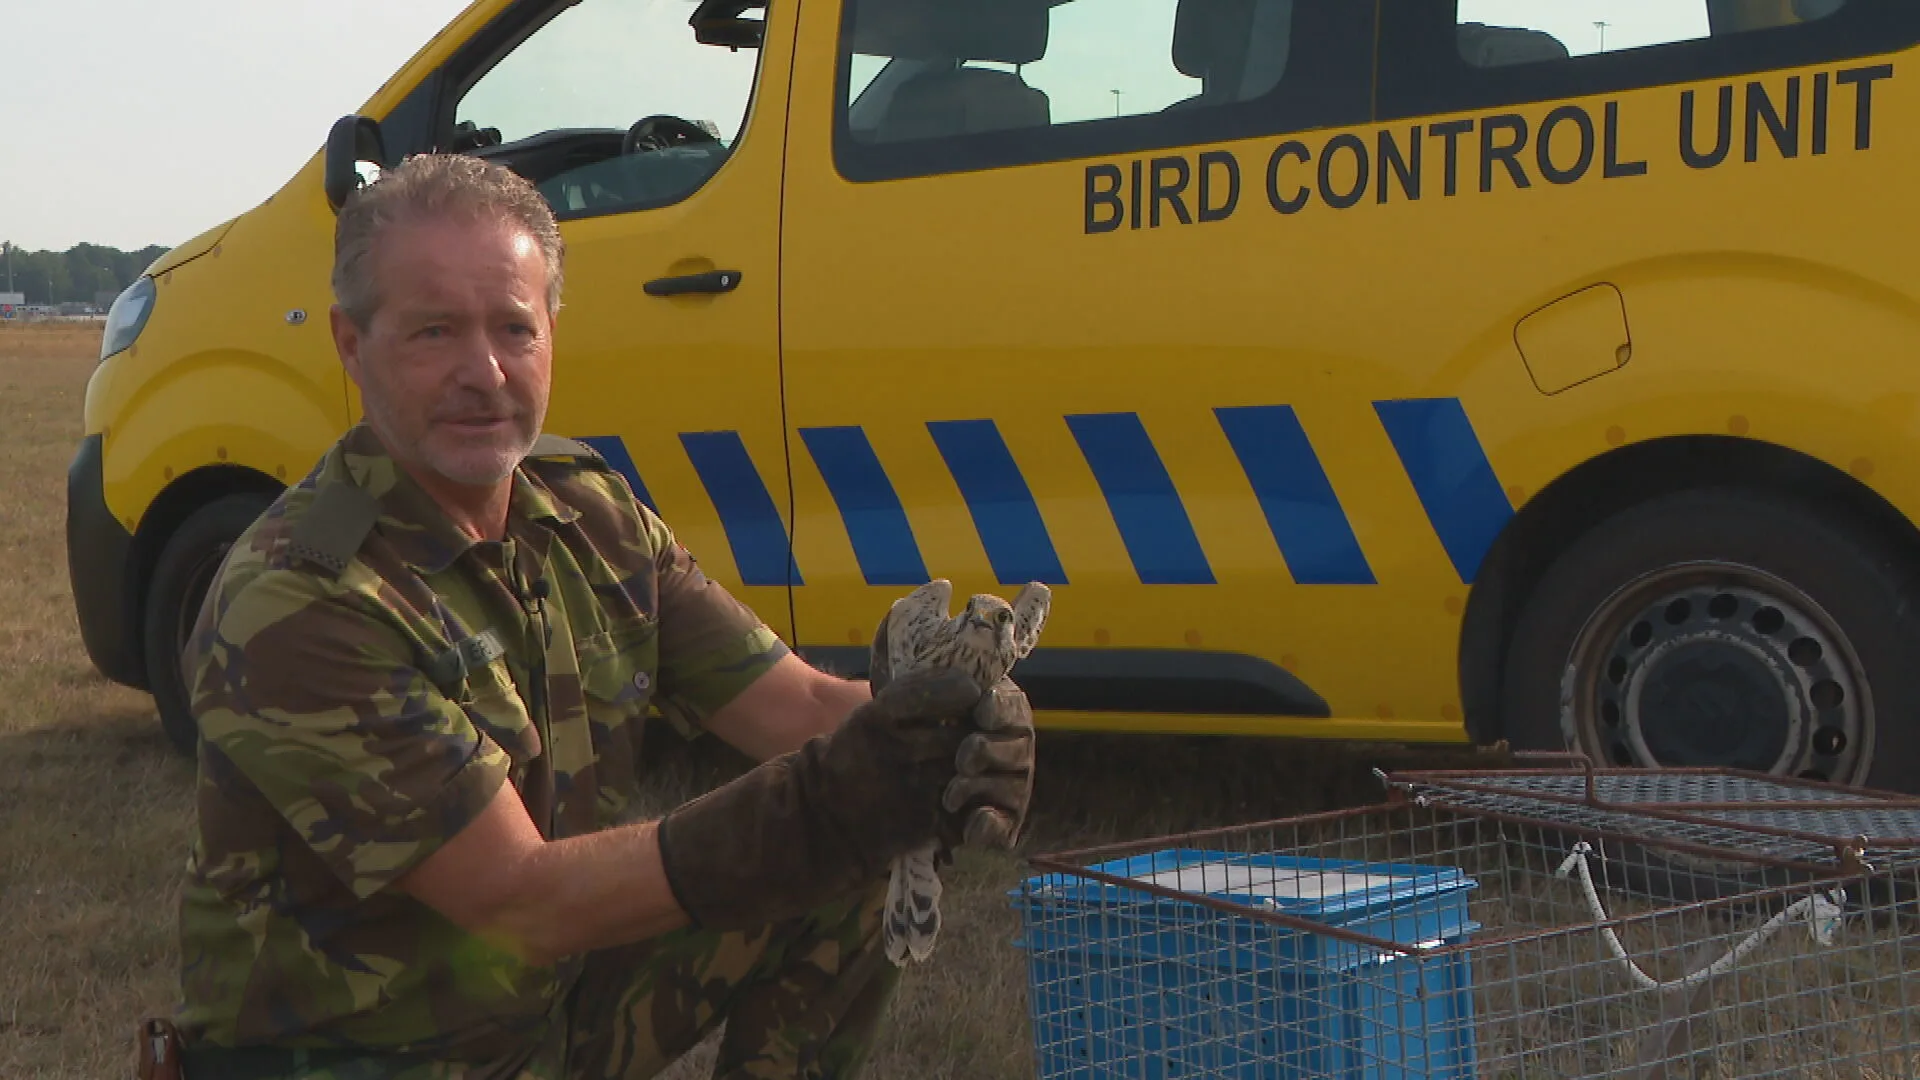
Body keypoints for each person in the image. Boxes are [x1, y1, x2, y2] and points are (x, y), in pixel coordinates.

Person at [154, 152, 1036, 1080]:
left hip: (539, 1013)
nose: (483, 372)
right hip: (355, 1054)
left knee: (847, 849)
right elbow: (517, 902)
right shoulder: (299, 596)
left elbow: (802, 708)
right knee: (825, 824)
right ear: (349, 342)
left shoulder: (589, 514)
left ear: (553, 335)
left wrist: (945, 729)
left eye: (514, 329)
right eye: (434, 333)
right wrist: (821, 805)